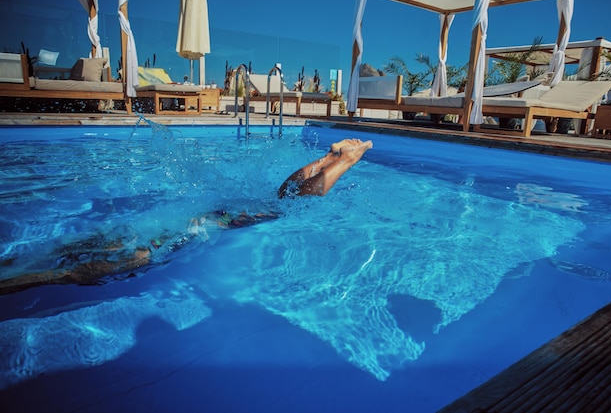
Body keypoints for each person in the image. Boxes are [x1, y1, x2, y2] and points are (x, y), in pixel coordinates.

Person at [0, 139, 373, 295]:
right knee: (283, 203)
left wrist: (330, 159)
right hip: (199, 224)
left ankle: (337, 159)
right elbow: (296, 197)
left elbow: (289, 191)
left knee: (283, 202)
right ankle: (338, 160)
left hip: (191, 221)